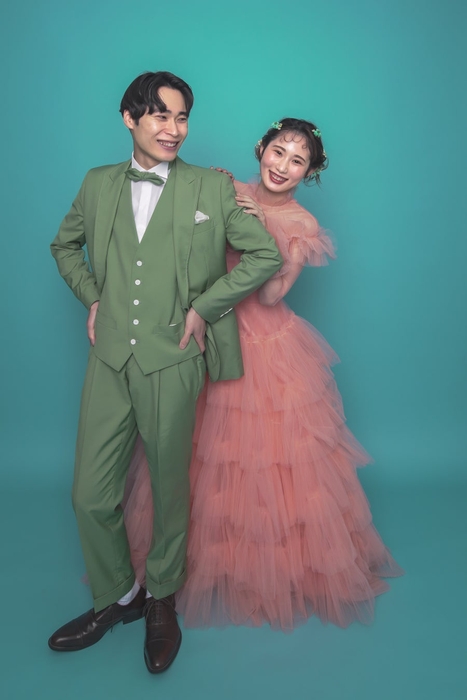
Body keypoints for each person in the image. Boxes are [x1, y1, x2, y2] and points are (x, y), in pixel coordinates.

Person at [123, 118, 403, 632]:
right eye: (278, 152)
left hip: (264, 343)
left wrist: (266, 235)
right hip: (208, 328)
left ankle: (254, 567)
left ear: (309, 173)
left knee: (256, 459)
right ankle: (172, 565)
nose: (283, 166)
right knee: (192, 450)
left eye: (298, 161)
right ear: (261, 149)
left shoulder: (301, 223)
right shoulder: (226, 187)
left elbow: (272, 296)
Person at [48, 71, 283, 673]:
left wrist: (205, 308)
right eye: (160, 115)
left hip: (174, 358)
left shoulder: (211, 187)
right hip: (109, 358)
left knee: (168, 487)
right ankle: (118, 595)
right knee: (89, 494)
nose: (173, 129)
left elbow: (264, 254)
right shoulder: (97, 183)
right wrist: (91, 297)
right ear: (129, 119)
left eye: (181, 117)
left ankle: (161, 599)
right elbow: (64, 246)